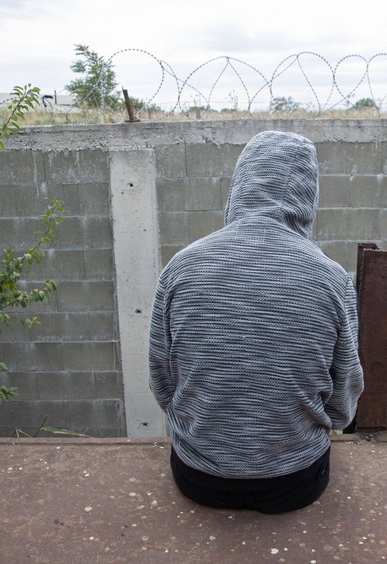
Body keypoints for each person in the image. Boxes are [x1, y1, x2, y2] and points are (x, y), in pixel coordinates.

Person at [148, 130, 365, 514]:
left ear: (240, 186)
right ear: (308, 195)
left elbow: (163, 384)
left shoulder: (181, 267)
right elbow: (342, 402)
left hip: (198, 477)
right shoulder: (332, 279)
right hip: (296, 481)